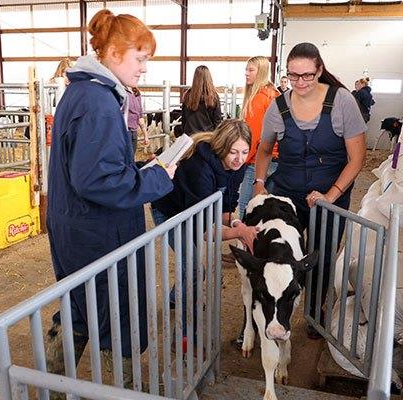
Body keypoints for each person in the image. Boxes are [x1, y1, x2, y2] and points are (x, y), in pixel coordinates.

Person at [45, 9, 177, 390]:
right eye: (141, 58)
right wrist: (154, 179)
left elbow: (92, 165)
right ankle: (120, 391)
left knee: (81, 307)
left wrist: (137, 167)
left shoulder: (85, 92)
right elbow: (98, 181)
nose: (144, 69)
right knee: (112, 313)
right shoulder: (98, 102)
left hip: (79, 224)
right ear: (114, 53)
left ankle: (52, 385)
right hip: (97, 232)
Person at [254, 42, 366, 339]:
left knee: (321, 253)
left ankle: (316, 314)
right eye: (293, 76)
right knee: (278, 250)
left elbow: (357, 158)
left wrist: (331, 195)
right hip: (288, 191)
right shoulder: (278, 106)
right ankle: (271, 312)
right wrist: (259, 185)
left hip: (331, 192)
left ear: (319, 71)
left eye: (307, 76)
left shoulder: (342, 101)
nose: (300, 82)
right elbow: (264, 150)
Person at [151, 119, 258, 341]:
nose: (239, 158)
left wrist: (238, 224)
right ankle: (183, 335)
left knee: (191, 265)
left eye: (245, 152)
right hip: (170, 212)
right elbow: (207, 230)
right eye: (233, 152)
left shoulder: (238, 166)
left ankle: (175, 298)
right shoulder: (200, 170)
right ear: (221, 148)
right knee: (193, 269)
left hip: (193, 213)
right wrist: (240, 233)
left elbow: (227, 205)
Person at [237, 56, 279, 220]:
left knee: (246, 208)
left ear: (261, 72)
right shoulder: (275, 94)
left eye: (251, 70)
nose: (246, 74)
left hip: (257, 162)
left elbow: (253, 136)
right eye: (246, 70)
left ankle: (244, 242)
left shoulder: (258, 98)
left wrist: (242, 160)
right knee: (266, 208)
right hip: (275, 161)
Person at [181, 65, 223, 135]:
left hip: (190, 137)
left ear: (195, 78)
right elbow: (217, 121)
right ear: (209, 78)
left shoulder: (187, 95)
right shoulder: (214, 96)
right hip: (207, 137)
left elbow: (184, 120)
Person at [127, 87, 149, 153]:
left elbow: (139, 115)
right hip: (123, 131)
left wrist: (146, 136)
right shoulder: (120, 91)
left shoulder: (137, 93)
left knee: (131, 156)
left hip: (134, 131)